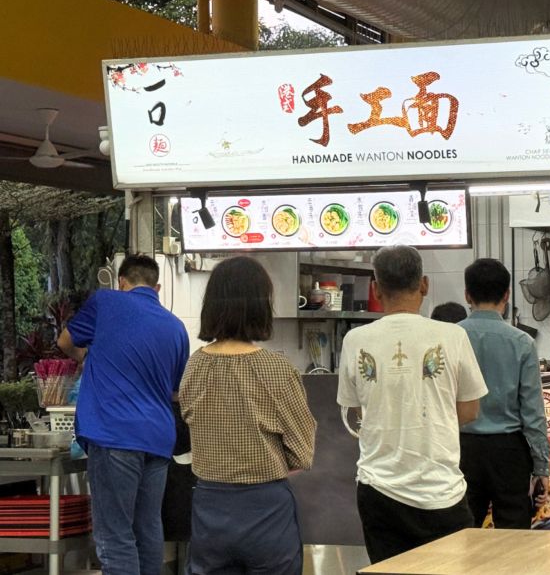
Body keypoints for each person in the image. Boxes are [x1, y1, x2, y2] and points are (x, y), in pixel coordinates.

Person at [337, 245, 488, 563]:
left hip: (379, 491)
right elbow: (470, 410)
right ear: (424, 284)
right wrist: (435, 416)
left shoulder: (355, 340)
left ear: (376, 289)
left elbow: (357, 409)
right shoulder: (453, 336)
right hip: (441, 491)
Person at [180, 256, 316, 575]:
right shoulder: (277, 369)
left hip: (210, 507)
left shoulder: (195, 366)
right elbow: (302, 452)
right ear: (261, 306)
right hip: (267, 510)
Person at [57, 254, 189, 575]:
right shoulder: (176, 327)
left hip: (113, 432)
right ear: (157, 287)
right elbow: (176, 392)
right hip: (158, 440)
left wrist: (85, 355)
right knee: (147, 529)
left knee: (114, 535)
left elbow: (65, 341)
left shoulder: (106, 302)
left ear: (122, 282)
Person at [458, 259, 550, 529]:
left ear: (467, 295)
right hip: (509, 451)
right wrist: (542, 467)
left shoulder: (451, 337)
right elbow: (533, 412)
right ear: (507, 295)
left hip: (461, 449)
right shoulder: (522, 342)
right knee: (513, 538)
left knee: (462, 534)